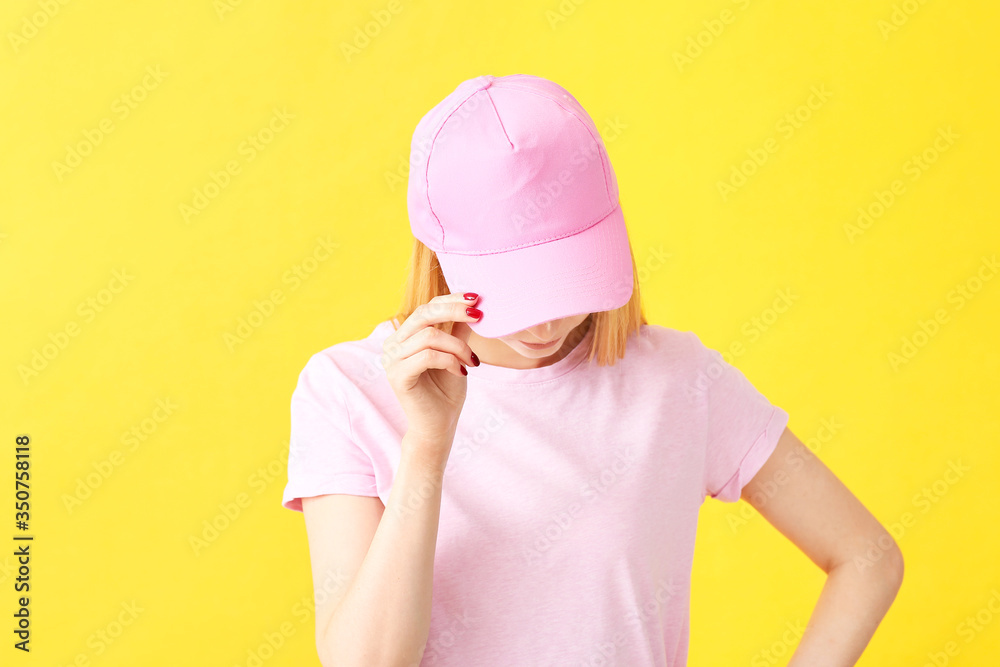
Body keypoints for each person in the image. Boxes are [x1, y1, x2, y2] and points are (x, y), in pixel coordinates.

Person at [281, 74, 904, 666]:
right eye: (515, 288)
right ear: (439, 254)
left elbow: (867, 557)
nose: (544, 325)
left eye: (564, 278)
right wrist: (427, 446)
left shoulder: (679, 381)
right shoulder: (346, 390)